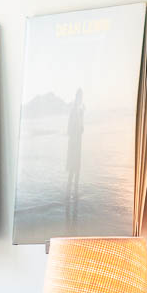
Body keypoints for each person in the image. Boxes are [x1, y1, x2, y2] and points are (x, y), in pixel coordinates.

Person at [65, 87, 84, 223]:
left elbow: (82, 129)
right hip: (74, 145)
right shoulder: (73, 111)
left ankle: (74, 195)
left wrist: (82, 116)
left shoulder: (78, 111)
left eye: (81, 97)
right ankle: (69, 195)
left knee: (77, 170)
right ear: (76, 97)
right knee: (73, 170)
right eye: (79, 97)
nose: (80, 99)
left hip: (78, 145)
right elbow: (69, 130)